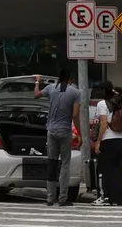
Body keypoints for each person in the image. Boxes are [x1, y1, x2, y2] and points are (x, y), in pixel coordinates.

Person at [34, 70, 81, 207]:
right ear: (70, 79)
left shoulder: (50, 88)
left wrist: (37, 81)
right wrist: (79, 133)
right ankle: (62, 199)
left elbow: (36, 94)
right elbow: (75, 115)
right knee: (65, 164)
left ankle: (50, 198)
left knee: (52, 163)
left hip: (51, 131)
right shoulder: (75, 92)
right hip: (65, 131)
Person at [92, 81, 122, 206]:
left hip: (107, 141)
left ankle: (105, 197)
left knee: (104, 169)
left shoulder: (102, 104)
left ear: (103, 91)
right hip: (119, 140)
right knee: (118, 169)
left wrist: (98, 142)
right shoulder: (118, 103)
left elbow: (103, 124)